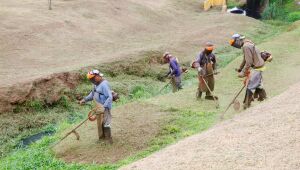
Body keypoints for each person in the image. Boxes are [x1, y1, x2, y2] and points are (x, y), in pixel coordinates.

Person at [229, 33, 267, 109]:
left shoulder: (246, 46)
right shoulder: (247, 43)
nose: (235, 46)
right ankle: (264, 98)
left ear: (238, 41)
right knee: (257, 84)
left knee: (250, 86)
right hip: (259, 66)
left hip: (257, 67)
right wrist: (240, 68)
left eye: (234, 44)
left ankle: (246, 105)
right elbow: (245, 59)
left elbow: (249, 62)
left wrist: (243, 72)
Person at [80, 70, 113, 143]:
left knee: (106, 123)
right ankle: (101, 139)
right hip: (98, 107)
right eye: (90, 79)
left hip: (105, 107)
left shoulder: (104, 84)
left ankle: (108, 139)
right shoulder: (96, 84)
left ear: (98, 76)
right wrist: (84, 99)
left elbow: (110, 97)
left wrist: (104, 106)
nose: (91, 81)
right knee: (99, 123)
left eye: (93, 79)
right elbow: (92, 94)